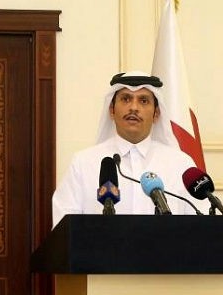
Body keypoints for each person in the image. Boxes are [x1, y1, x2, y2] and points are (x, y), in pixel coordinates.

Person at [52, 71, 205, 226]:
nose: (133, 107)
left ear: (156, 114)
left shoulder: (181, 165)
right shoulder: (83, 163)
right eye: (126, 99)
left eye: (143, 101)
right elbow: (64, 228)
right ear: (112, 110)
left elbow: (201, 228)